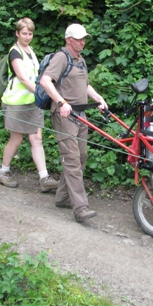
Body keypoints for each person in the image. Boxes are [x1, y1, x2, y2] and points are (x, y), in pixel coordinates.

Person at [39, 23, 108, 223]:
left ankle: (62, 197)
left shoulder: (80, 60)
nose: (83, 42)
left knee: (81, 156)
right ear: (68, 39)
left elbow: (85, 85)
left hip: (81, 114)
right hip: (64, 115)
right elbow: (45, 81)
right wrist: (61, 102)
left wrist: (99, 100)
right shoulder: (61, 57)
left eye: (84, 38)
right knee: (71, 159)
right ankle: (80, 207)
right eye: (79, 39)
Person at [0, 18, 58, 193]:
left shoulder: (30, 51)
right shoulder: (14, 52)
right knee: (16, 139)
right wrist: (41, 93)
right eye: (24, 33)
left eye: (30, 33)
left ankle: (44, 178)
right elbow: (22, 78)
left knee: (36, 138)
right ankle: (3, 171)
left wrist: (39, 94)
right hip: (16, 102)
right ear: (17, 33)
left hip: (32, 103)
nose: (27, 36)